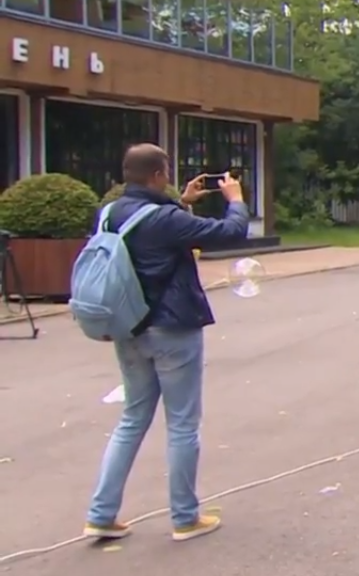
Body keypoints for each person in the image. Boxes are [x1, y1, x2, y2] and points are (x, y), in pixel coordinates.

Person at [83, 144, 250, 544]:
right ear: (158, 175)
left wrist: (183, 202)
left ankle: (101, 514)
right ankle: (185, 517)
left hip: (127, 325)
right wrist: (235, 200)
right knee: (182, 423)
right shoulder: (165, 218)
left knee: (132, 419)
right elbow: (230, 232)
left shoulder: (109, 213)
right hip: (173, 328)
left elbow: (148, 235)